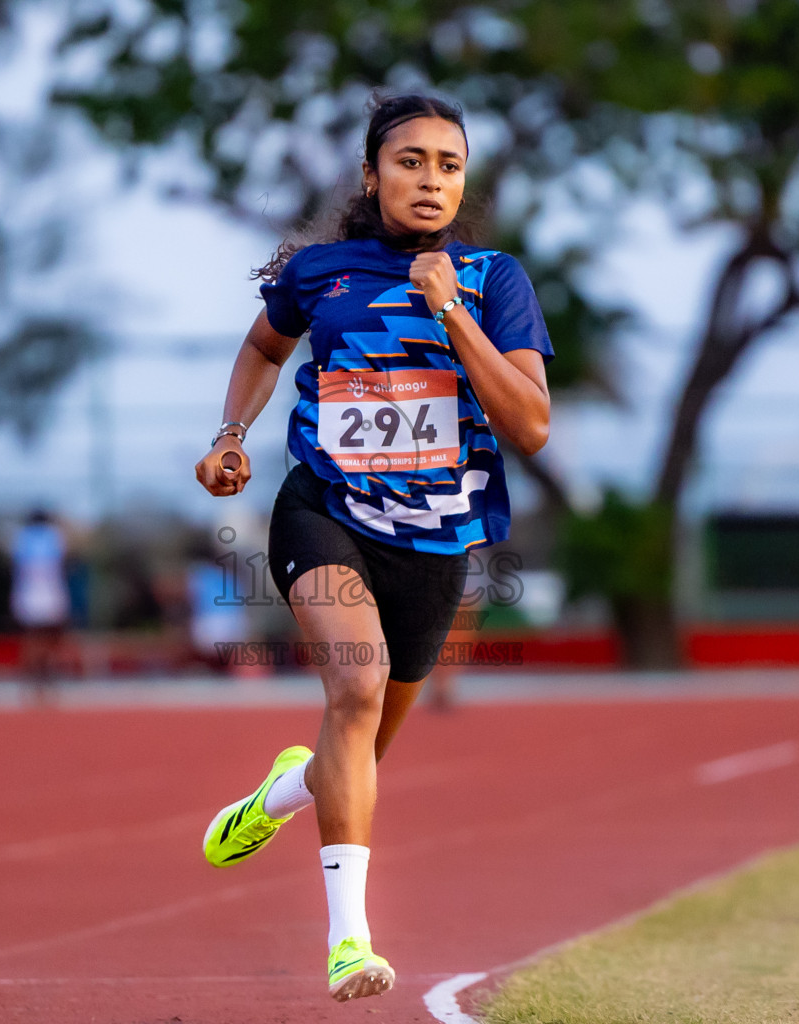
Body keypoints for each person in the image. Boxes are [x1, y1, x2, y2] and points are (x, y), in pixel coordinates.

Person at [192, 93, 552, 1003]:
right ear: (370, 174)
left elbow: (533, 426)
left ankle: (283, 792)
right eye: (410, 161)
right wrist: (232, 433)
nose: (431, 179)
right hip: (324, 510)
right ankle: (349, 943)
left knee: (360, 751)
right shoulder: (320, 274)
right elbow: (263, 348)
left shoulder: (494, 279)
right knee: (353, 686)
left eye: (449, 164)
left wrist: (454, 314)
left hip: (436, 540)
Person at [11, 509, 70, 700]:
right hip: (48, 593)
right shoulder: (54, 537)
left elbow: (17, 570)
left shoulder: (22, 538)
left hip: (30, 594)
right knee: (47, 641)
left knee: (33, 640)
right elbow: (60, 568)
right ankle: (43, 682)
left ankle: (34, 683)